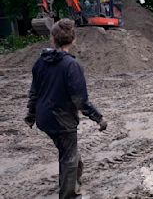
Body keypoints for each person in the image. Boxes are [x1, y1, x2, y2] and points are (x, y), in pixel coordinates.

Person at [24, 18, 107, 199]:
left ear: (52, 39)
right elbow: (80, 100)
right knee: (68, 157)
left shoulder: (40, 62)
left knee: (69, 151)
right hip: (62, 121)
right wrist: (99, 118)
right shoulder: (71, 65)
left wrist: (30, 115)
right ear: (73, 40)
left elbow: (34, 92)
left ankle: (75, 180)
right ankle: (69, 195)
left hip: (44, 119)